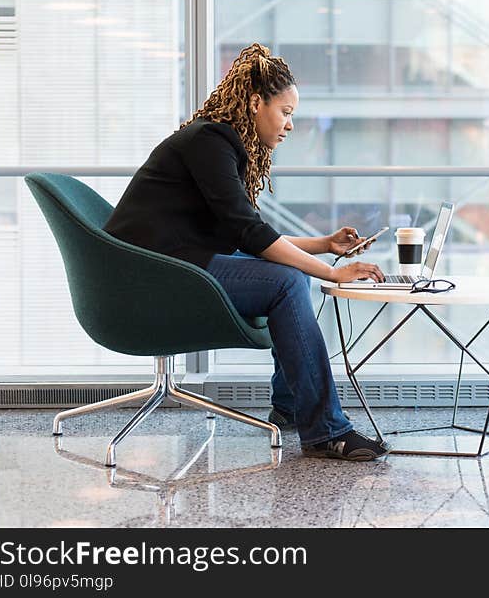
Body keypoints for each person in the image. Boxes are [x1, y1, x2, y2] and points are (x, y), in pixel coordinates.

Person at [103, 42, 391, 461]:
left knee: (289, 274)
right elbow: (250, 233)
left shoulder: (217, 142)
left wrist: (324, 246)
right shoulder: (210, 142)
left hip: (171, 264)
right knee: (288, 280)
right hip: (151, 275)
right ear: (256, 103)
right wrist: (330, 271)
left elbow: (247, 233)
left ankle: (293, 408)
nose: (290, 124)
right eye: (286, 112)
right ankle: (326, 429)